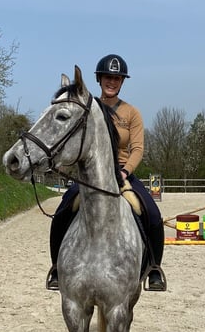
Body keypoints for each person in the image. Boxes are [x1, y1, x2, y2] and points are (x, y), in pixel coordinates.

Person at [46, 54, 166, 291]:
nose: (112, 82)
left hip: (122, 174)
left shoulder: (132, 113)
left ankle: (153, 268)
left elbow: (138, 149)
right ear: (99, 79)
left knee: (152, 214)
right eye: (108, 77)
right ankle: (57, 268)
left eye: (117, 78)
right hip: (91, 177)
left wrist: (124, 172)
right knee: (62, 212)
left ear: (122, 82)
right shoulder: (88, 109)